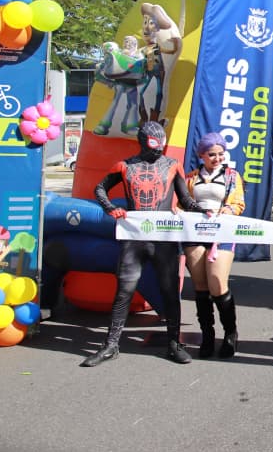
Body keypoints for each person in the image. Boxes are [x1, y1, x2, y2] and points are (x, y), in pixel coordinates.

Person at [82, 121, 206, 367]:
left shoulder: (172, 166)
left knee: (170, 291)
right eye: (153, 144)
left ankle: (174, 344)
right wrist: (111, 208)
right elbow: (100, 189)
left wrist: (208, 214)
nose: (158, 149)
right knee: (124, 291)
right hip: (134, 239)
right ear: (142, 142)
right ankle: (110, 345)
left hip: (164, 239)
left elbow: (185, 200)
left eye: (162, 144)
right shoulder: (125, 166)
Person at [184, 132, 245, 359]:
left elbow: (238, 202)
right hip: (195, 233)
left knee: (217, 282)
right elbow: (182, 201)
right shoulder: (191, 177)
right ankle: (207, 335)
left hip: (222, 233)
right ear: (202, 155)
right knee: (200, 287)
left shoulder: (231, 176)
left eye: (221, 154)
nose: (217, 158)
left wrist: (226, 211)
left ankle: (230, 334)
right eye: (212, 155)